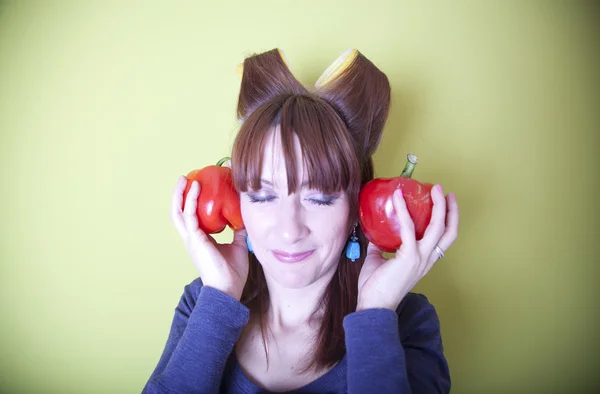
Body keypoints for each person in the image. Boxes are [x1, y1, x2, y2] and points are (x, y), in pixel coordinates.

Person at [142, 48, 460, 394]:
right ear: (239, 203)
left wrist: (375, 315)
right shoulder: (202, 300)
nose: (289, 230)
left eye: (319, 198)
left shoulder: (405, 319)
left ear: (357, 207)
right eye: (262, 196)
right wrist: (220, 297)